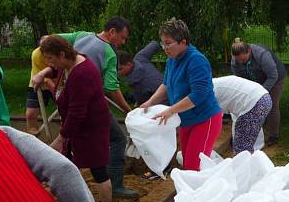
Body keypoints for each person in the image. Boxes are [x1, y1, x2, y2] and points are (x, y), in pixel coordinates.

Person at [30, 17, 138, 198]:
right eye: (122, 37)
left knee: (70, 149)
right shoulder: (109, 52)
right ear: (111, 32)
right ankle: (116, 185)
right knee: (118, 139)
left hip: (71, 100)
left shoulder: (82, 35)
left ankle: (56, 186)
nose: (122, 42)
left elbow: (50, 40)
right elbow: (111, 87)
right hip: (88, 106)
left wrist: (43, 72)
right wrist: (128, 110)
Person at [32, 36, 115, 202]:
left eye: (51, 59)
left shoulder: (82, 74)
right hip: (80, 126)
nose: (50, 64)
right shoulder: (72, 61)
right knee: (69, 164)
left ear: (62, 54)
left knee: (98, 168)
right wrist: (43, 73)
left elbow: (78, 113)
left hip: (90, 127)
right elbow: (56, 68)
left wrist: (62, 137)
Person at [141, 19, 222, 171]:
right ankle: (195, 192)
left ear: (183, 42)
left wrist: (171, 110)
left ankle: (203, 193)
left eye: (168, 43)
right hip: (186, 120)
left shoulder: (196, 60)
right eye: (162, 43)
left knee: (194, 166)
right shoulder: (172, 59)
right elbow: (166, 84)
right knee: (187, 163)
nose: (164, 48)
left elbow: (199, 94)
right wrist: (150, 102)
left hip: (205, 119)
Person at [230, 38, 286, 146]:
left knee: (271, 105)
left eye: (244, 59)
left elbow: (273, 75)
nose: (241, 62)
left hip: (275, 79)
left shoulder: (262, 55)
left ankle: (273, 135)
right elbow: (239, 80)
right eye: (239, 60)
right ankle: (243, 134)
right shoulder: (235, 60)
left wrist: (259, 93)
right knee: (250, 104)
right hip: (255, 79)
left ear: (249, 51)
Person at [212, 75, 272, 155]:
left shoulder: (207, 90)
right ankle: (251, 161)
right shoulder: (213, 84)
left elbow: (211, 118)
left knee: (242, 148)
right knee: (244, 142)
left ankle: (244, 165)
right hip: (262, 97)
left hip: (254, 101)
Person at [117, 41, 164, 105]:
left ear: (129, 64)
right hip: (168, 86)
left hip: (164, 103)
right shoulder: (140, 57)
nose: (117, 72)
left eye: (120, 69)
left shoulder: (135, 83)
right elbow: (155, 44)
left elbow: (142, 102)